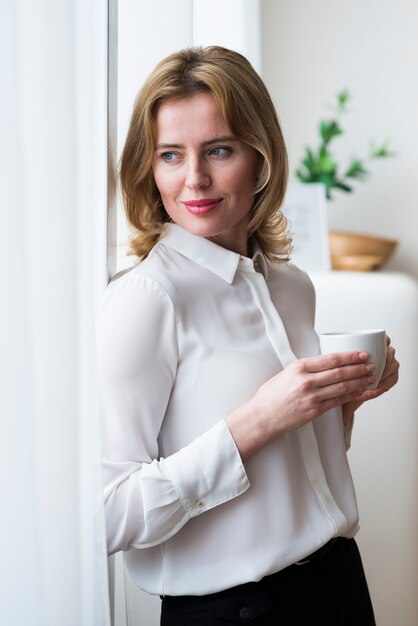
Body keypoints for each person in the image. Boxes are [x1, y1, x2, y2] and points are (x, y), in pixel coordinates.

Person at [96, 46, 399, 625]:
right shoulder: (145, 301)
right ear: (148, 167)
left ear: (260, 159)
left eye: (218, 150)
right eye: (169, 155)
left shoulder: (291, 286)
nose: (195, 179)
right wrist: (256, 420)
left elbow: (293, 474)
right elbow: (108, 515)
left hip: (338, 585)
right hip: (233, 612)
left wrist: (342, 406)